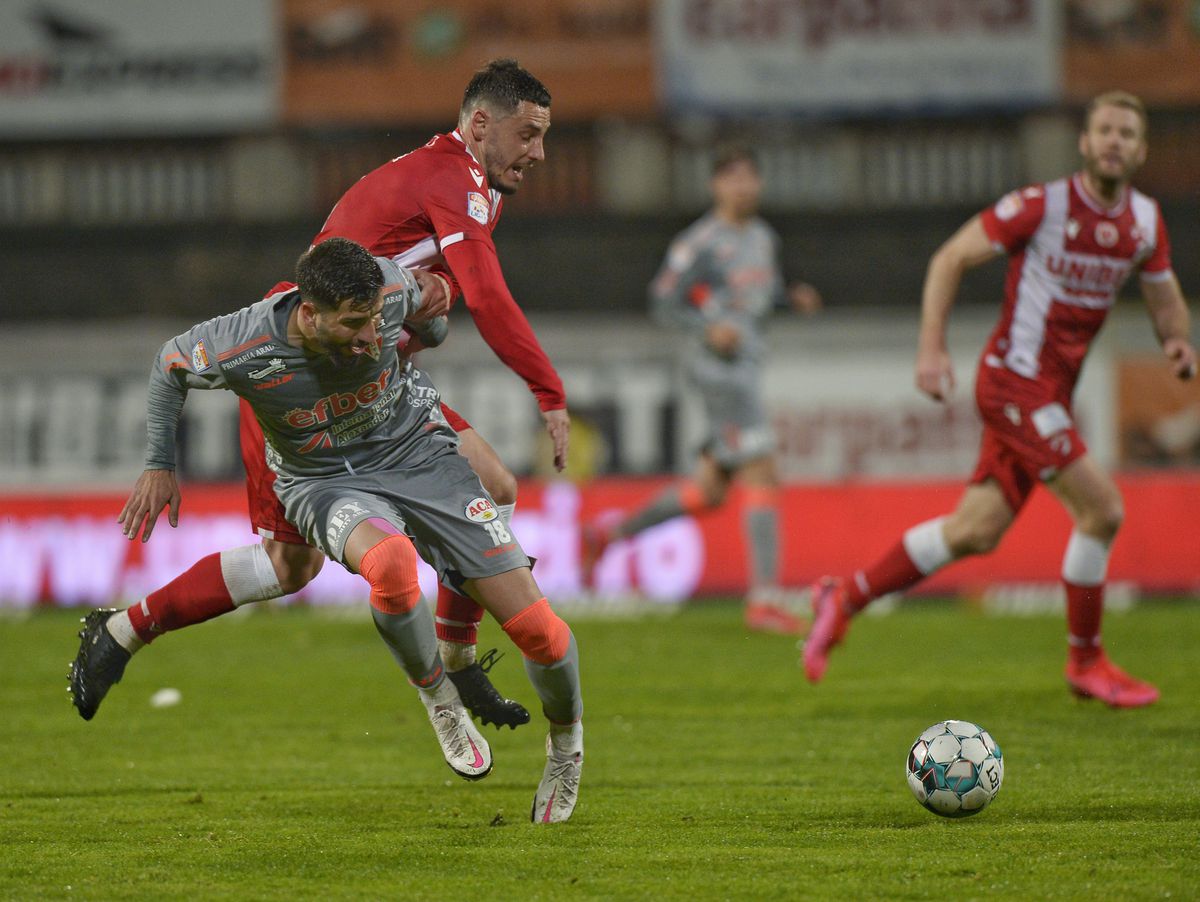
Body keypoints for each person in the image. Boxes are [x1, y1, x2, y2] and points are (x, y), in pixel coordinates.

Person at [73, 59, 568, 730]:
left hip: (373, 382)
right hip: (303, 379)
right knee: (289, 567)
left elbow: (436, 302)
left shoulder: (471, 186)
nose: (539, 153)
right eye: (529, 135)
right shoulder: (454, 179)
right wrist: (547, 389)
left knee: (495, 485)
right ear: (481, 124)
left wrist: (428, 318)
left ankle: (456, 658)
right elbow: (481, 295)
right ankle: (126, 629)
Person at [71, 239, 584, 822]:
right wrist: (159, 463)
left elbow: (434, 307)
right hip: (323, 479)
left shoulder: (388, 287)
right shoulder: (242, 342)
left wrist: (435, 309)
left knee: (542, 632)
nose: (370, 336)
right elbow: (169, 364)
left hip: (420, 452)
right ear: (310, 313)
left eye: (374, 321)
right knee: (380, 564)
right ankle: (440, 692)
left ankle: (566, 748)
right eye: (355, 324)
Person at [804, 91, 1196, 707]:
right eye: (1105, 130)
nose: (1115, 141)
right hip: (1013, 383)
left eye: (1127, 132)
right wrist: (930, 350)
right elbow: (951, 256)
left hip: (1049, 396)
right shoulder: (1041, 206)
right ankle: (1085, 661)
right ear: (1085, 143)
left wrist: (1175, 342)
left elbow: (1162, 288)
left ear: (1141, 151)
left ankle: (845, 595)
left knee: (974, 531)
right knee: (1103, 509)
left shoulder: (1144, 222)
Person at [583, 145, 821, 633]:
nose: (745, 187)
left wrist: (787, 298)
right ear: (716, 186)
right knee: (762, 471)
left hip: (748, 364)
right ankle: (764, 601)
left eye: (751, 178)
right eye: (734, 179)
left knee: (709, 491)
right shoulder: (701, 242)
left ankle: (609, 534)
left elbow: (752, 297)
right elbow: (663, 298)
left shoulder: (761, 237)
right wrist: (705, 328)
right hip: (718, 370)